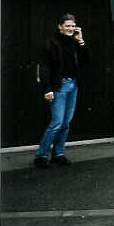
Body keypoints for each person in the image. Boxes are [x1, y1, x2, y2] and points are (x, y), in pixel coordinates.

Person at [35, 13, 89, 168]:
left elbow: (86, 60)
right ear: (60, 27)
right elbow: (44, 67)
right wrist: (47, 89)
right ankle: (41, 155)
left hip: (73, 86)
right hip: (59, 86)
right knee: (57, 123)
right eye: (67, 25)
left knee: (66, 123)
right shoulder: (51, 43)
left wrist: (81, 41)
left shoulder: (75, 43)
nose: (70, 28)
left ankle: (58, 154)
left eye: (73, 26)